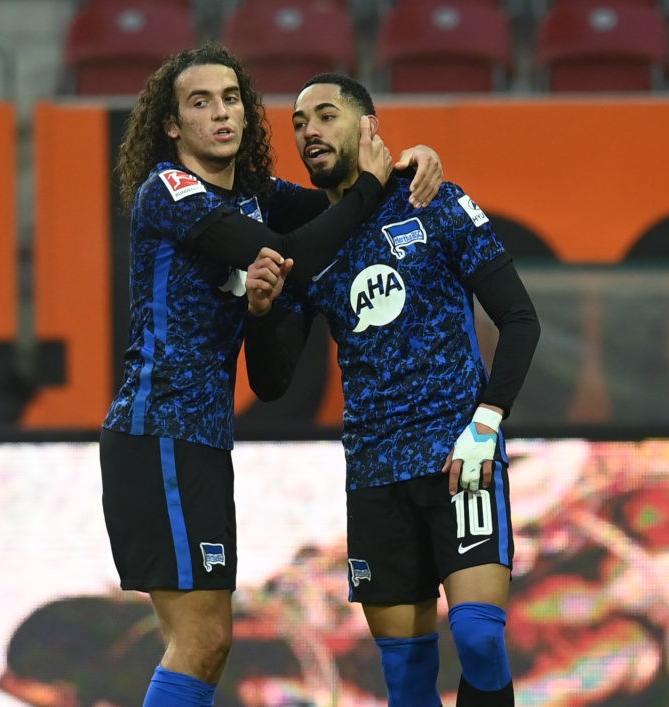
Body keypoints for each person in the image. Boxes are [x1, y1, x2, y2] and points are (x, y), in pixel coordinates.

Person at [99, 43, 444, 706]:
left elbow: (339, 218)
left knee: (202, 641)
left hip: (199, 441)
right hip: (159, 432)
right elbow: (290, 251)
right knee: (202, 639)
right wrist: (372, 189)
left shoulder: (256, 197)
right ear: (172, 126)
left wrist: (410, 166)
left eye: (231, 99)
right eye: (200, 103)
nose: (221, 113)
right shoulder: (170, 189)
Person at [243, 73, 541, 706]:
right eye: (298, 123)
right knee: (406, 681)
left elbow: (520, 319)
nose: (310, 131)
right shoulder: (310, 242)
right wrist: (264, 311)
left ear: (369, 128)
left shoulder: (432, 198)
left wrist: (487, 423)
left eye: (326, 115)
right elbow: (271, 384)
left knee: (481, 639)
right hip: (375, 475)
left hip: (461, 456)